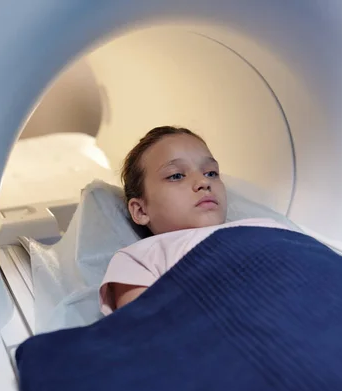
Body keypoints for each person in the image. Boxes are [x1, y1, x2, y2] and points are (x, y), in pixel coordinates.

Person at [98, 126, 292, 315]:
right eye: (176, 176)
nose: (203, 182)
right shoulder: (141, 258)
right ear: (140, 210)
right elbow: (143, 329)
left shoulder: (265, 226)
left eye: (211, 173)